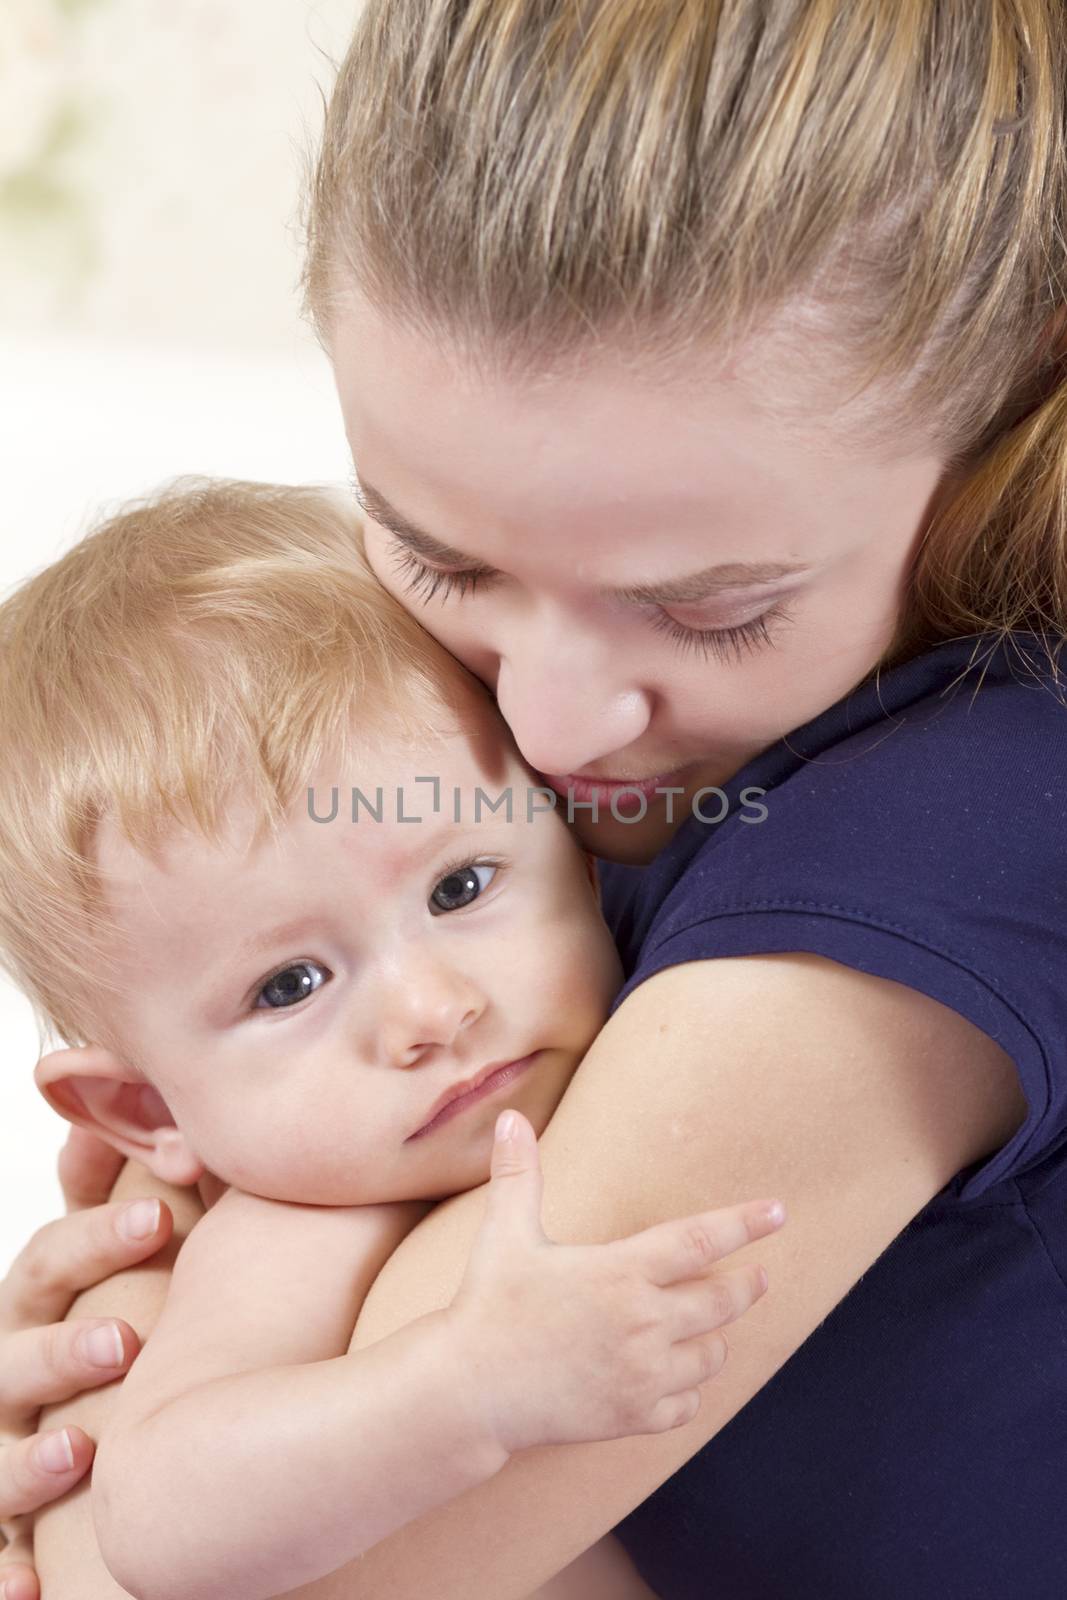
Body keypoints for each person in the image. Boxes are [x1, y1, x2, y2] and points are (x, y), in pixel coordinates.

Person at [8, 0, 1067, 1595]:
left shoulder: (962, 826)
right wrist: (141, 1338)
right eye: (439, 554)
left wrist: (95, 1466)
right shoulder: (493, 777)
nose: (541, 723)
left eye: (707, 605)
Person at [0, 479, 780, 1600]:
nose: (431, 1010)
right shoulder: (300, 1231)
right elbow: (158, 1514)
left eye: (461, 884)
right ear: (150, 1113)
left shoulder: (688, 990)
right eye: (290, 984)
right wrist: (463, 1383)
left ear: (574, 825)